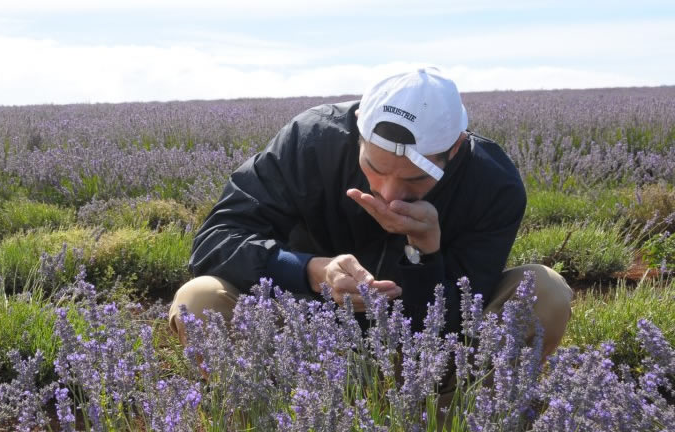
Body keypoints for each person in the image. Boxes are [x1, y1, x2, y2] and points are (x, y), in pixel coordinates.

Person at [169, 67, 571, 359]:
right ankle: (267, 431)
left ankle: (457, 430)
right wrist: (311, 271)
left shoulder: (491, 183)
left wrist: (425, 254)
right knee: (199, 298)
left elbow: (456, 318)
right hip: (304, 340)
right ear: (358, 129)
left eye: (415, 180)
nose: (389, 193)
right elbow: (216, 241)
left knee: (545, 291)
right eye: (374, 169)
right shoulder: (312, 141)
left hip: (426, 360)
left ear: (454, 149)